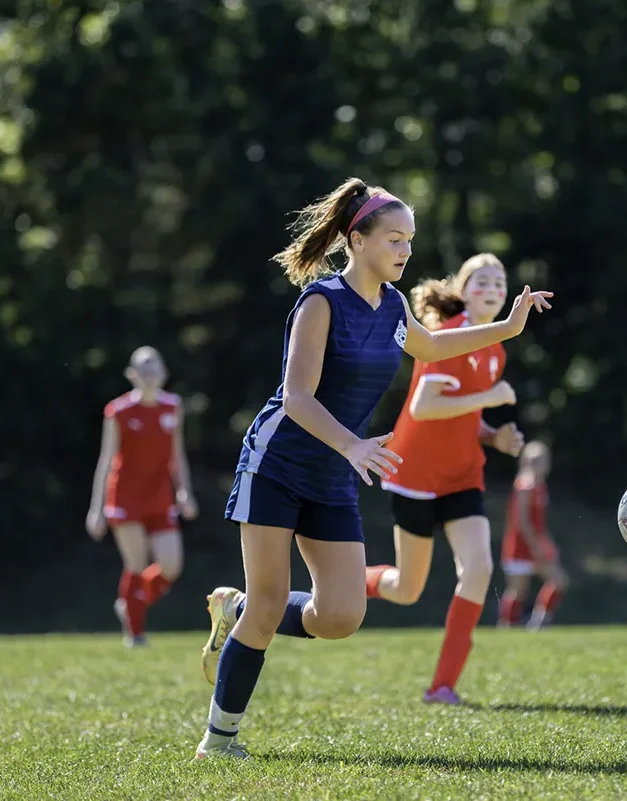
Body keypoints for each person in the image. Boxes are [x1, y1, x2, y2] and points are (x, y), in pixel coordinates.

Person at [193, 177, 553, 760]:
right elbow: (296, 399)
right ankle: (220, 737)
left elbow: (432, 349)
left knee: (339, 616)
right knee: (269, 604)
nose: (406, 251)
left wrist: (508, 328)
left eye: (410, 240)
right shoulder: (320, 301)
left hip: (333, 471)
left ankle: (232, 609)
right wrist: (354, 447)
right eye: (394, 239)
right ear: (356, 240)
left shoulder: (392, 306)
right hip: (278, 464)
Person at [361, 252, 527, 705]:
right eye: (482, 281)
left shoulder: (494, 348)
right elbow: (423, 409)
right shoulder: (448, 337)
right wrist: (492, 396)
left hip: (461, 476)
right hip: (414, 476)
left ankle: (442, 687)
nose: (493, 288)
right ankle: (349, 581)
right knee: (406, 590)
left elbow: (466, 417)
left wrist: (494, 437)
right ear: (462, 291)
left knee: (478, 569)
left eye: (500, 282)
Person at [86, 347, 198, 647]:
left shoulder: (173, 407)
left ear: (164, 373)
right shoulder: (118, 411)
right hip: (125, 498)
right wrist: (96, 509)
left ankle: (130, 603)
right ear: (132, 375)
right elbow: (106, 460)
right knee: (136, 564)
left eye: (154, 369)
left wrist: (184, 491)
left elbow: (177, 455)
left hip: (160, 496)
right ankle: (135, 634)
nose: (149, 376)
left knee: (171, 566)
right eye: (143, 370)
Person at [497, 441, 568, 630]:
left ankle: (538, 621)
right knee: (518, 590)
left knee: (557, 581)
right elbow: (522, 522)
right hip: (521, 545)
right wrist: (537, 546)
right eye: (532, 460)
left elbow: (539, 524)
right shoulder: (524, 485)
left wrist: (548, 544)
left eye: (540, 460)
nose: (536, 465)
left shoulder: (539, 485)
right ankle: (508, 625)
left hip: (535, 543)